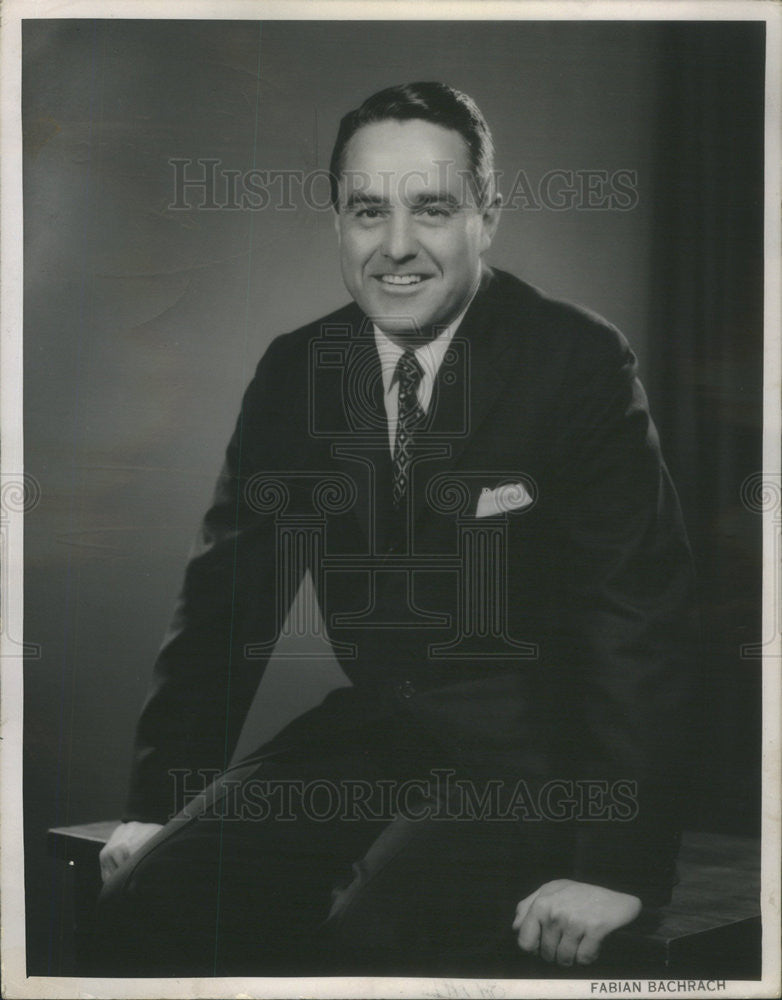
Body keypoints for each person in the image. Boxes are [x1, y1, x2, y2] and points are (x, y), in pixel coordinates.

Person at [94, 82, 698, 977]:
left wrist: (615, 870)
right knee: (156, 895)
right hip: (375, 737)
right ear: (337, 220)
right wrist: (159, 803)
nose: (398, 247)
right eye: (368, 211)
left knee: (367, 944)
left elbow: (636, 625)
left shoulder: (577, 361)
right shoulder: (298, 368)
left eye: (434, 208)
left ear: (487, 215)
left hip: (541, 764)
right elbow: (228, 603)